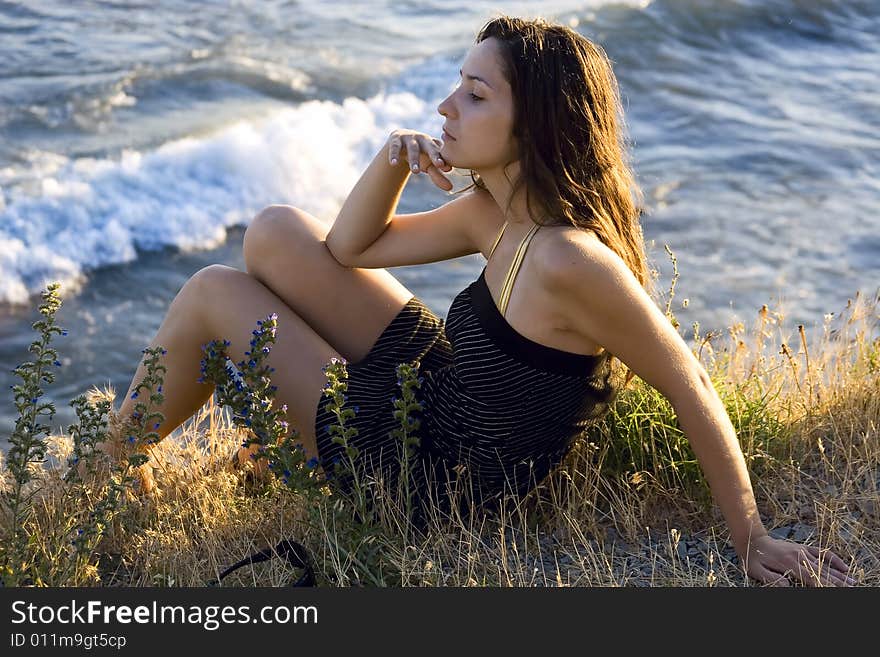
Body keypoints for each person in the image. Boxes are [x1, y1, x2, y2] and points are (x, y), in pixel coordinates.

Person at [92, 16, 852, 586]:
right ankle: (171, 454)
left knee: (212, 294)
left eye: (475, 93)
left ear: (537, 124)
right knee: (275, 232)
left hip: (425, 477)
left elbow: (689, 382)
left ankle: (98, 477)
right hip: (437, 390)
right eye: (457, 84)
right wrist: (394, 156)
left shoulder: (570, 260)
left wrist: (750, 535)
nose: (447, 105)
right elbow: (352, 247)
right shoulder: (496, 211)